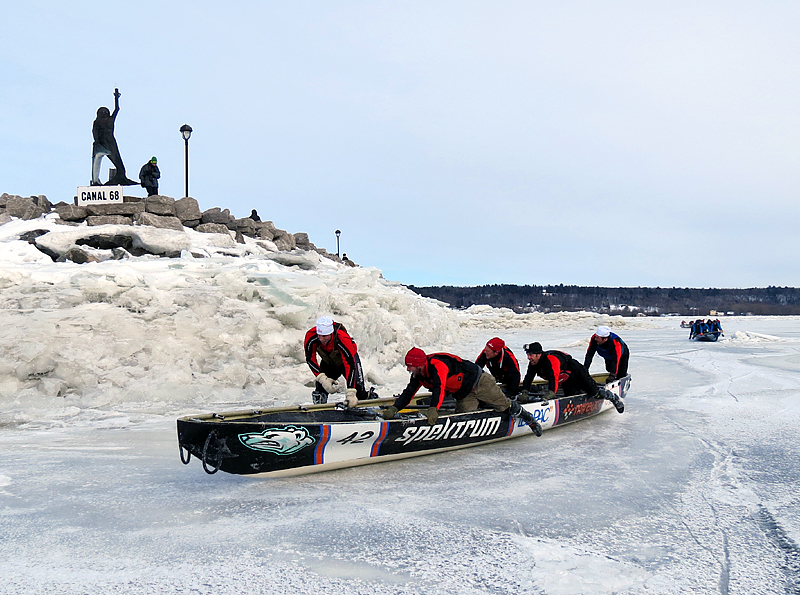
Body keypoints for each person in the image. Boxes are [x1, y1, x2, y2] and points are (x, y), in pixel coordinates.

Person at [382, 347, 541, 435]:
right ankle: (482, 406)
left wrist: (433, 409)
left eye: (410, 366)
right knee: (463, 418)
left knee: (503, 405)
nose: (408, 369)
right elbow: (409, 392)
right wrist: (395, 408)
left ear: (420, 364)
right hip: (464, 392)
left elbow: (439, 388)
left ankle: (528, 418)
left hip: (480, 382)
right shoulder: (418, 374)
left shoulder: (438, 366)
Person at [520, 342, 624, 413]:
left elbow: (553, 378)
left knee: (594, 393)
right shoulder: (533, 363)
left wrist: (551, 393)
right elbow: (528, 378)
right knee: (571, 396)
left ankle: (612, 397)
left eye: (531, 355)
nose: (528, 358)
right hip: (566, 379)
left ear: (538, 354)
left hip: (577, 373)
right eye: (528, 355)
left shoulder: (551, 360)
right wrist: (524, 391)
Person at [304, 316, 368, 405]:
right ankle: (319, 408)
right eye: (319, 336)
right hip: (329, 362)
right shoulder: (311, 336)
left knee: (358, 391)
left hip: (348, 362)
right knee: (320, 390)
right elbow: (310, 359)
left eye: (324, 336)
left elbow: (350, 365)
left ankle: (368, 399)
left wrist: (350, 392)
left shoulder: (342, 338)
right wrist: (322, 378)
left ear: (331, 333)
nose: (321, 339)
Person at [91, 88, 136, 186]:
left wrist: (116, 98)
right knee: (118, 163)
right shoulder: (109, 120)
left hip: (107, 143)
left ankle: (118, 178)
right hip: (108, 143)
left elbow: (94, 133)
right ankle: (115, 178)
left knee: (118, 163)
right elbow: (117, 109)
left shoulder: (99, 121)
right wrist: (116, 98)